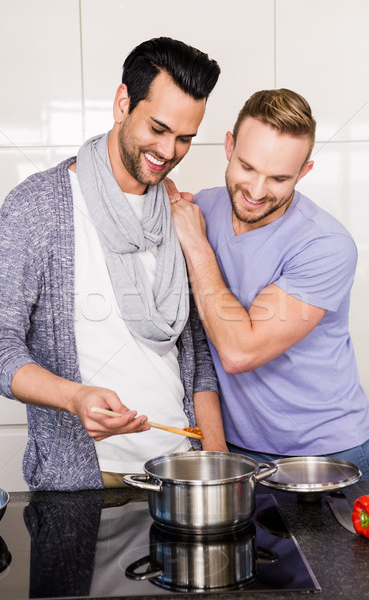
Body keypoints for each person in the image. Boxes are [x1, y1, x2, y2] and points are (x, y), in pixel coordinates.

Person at [0, 37, 228, 492]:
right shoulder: (37, 207)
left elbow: (195, 356)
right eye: (159, 128)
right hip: (88, 482)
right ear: (122, 102)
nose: (169, 151)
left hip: (181, 469)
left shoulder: (178, 214)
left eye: (185, 138)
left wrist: (216, 461)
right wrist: (75, 398)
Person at [168, 88, 369, 479]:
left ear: (304, 172)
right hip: (236, 450)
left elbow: (239, 353)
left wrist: (195, 244)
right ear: (229, 146)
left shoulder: (327, 245)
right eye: (247, 167)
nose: (257, 191)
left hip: (327, 455)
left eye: (279, 178)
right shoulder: (202, 209)